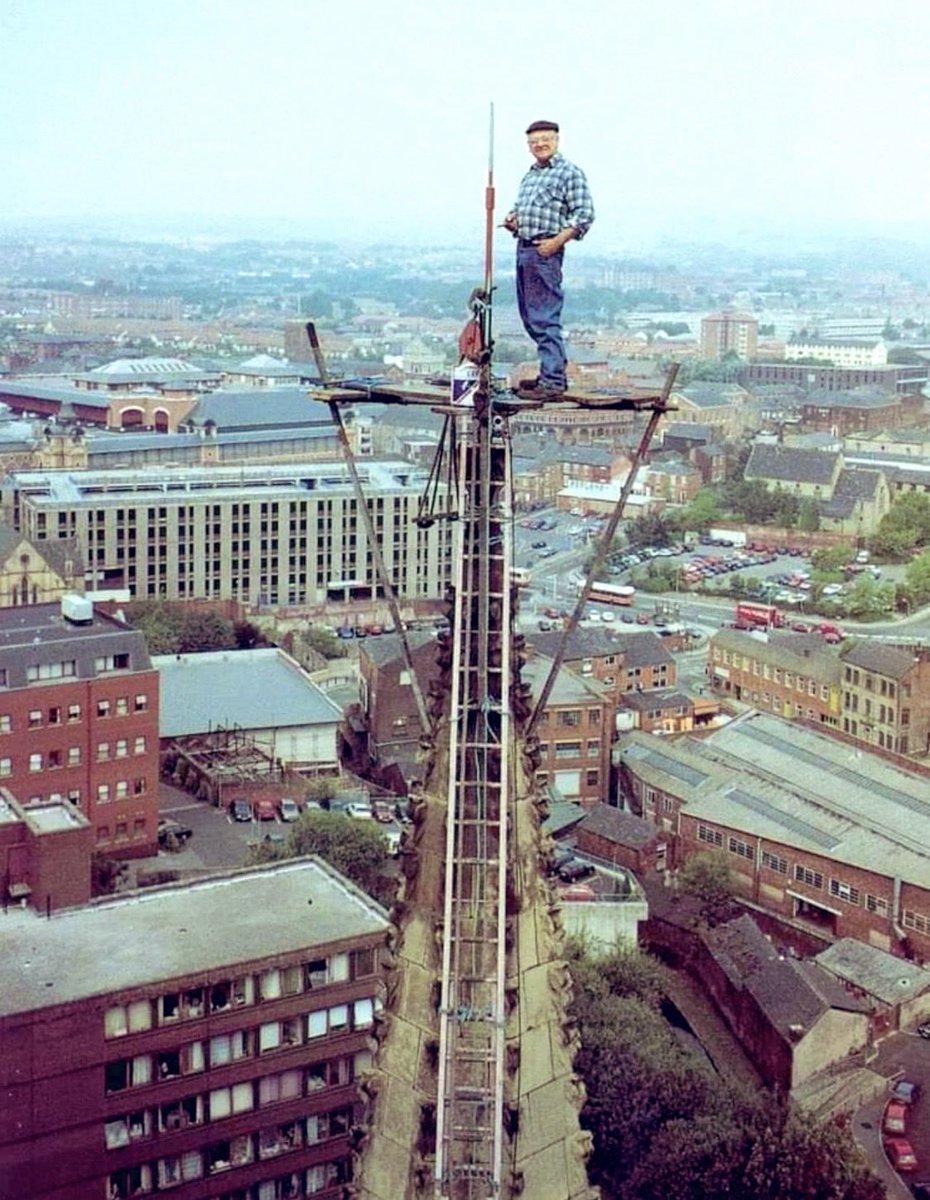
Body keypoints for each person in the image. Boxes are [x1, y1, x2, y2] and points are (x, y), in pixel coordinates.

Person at [504, 120, 594, 398]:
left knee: (544, 316)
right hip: (525, 248)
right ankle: (548, 374)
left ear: (556, 140)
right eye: (534, 141)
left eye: (545, 139)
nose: (539, 145)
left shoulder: (569, 173)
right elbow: (523, 208)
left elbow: (584, 214)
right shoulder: (531, 175)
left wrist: (555, 243)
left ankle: (553, 381)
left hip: (545, 251)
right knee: (531, 317)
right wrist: (514, 220)